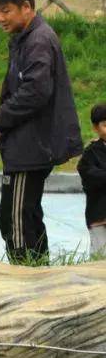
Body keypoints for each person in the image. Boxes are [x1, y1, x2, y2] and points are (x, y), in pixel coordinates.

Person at [0, 0, 81, 263]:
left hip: (31, 147)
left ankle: (24, 278)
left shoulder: (38, 40)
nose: (0, 18)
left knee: (14, 219)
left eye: (6, 11)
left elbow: (36, 91)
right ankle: (41, 273)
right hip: (28, 143)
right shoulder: (25, 37)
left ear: (26, 7)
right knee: (29, 214)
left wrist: (1, 118)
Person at [77, 103, 106, 257]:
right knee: (100, 253)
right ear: (96, 128)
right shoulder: (91, 152)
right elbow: (88, 174)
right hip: (99, 213)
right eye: (105, 125)